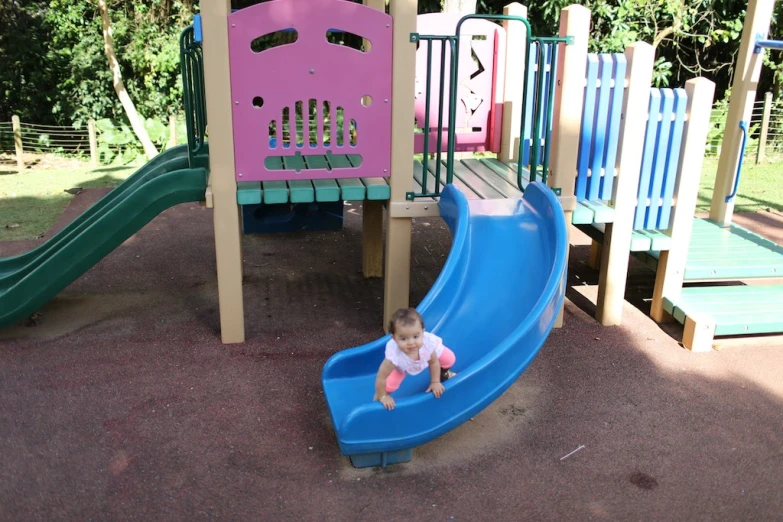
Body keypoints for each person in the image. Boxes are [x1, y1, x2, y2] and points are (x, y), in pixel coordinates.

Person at [373, 308, 457, 410]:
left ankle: (444, 373)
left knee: (450, 359)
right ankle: (376, 405)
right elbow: (381, 377)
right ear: (394, 338)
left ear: (422, 332)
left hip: (424, 356)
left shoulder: (427, 343)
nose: (411, 343)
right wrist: (383, 396)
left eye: (416, 337)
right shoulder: (394, 356)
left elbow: (433, 362)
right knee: (389, 386)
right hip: (402, 366)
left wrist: (435, 382)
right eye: (404, 338)